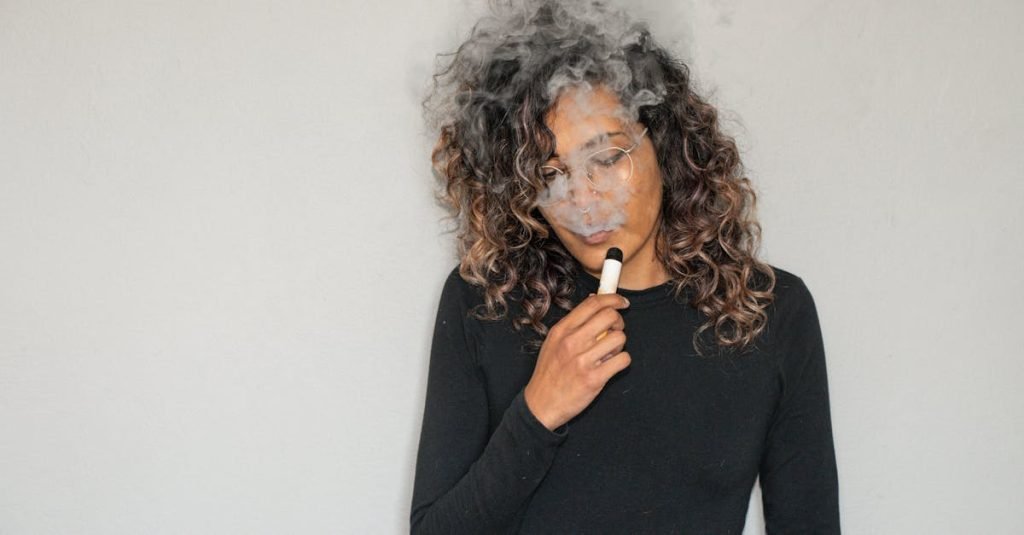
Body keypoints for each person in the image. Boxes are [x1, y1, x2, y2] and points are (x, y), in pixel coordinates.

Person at [410, 1, 840, 532]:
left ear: (666, 143)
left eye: (609, 159)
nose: (583, 201)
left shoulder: (770, 313)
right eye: (551, 172)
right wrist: (539, 411)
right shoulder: (486, 300)